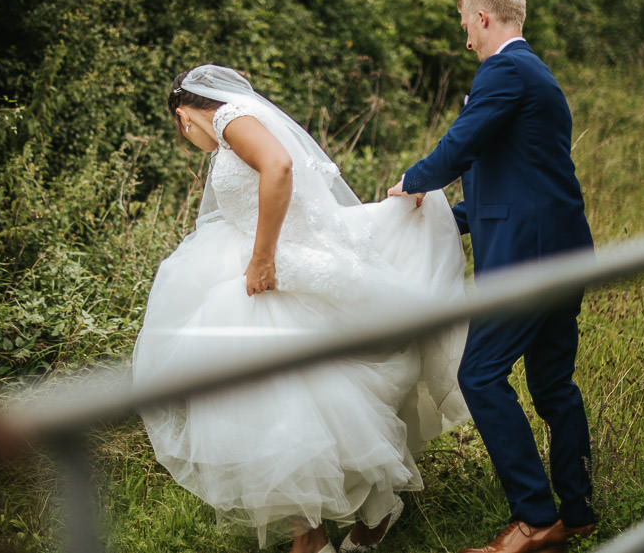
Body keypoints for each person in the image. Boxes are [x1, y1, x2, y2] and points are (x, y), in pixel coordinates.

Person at [132, 64, 470, 553]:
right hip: (273, 264)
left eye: (181, 131)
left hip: (279, 267)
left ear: (184, 116)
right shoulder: (238, 123)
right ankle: (322, 530)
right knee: (283, 396)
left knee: (284, 393)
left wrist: (263, 258)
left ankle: (341, 524)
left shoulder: (229, 118)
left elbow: (280, 167)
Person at [389, 0, 596, 553]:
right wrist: (449, 218)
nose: (466, 41)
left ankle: (536, 520)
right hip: (564, 249)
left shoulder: (504, 70)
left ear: (483, 18)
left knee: (479, 375)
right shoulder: (536, 75)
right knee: (554, 385)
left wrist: (412, 183)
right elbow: (515, 176)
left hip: (527, 260)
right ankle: (577, 510)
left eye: (466, 27)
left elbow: (462, 145)